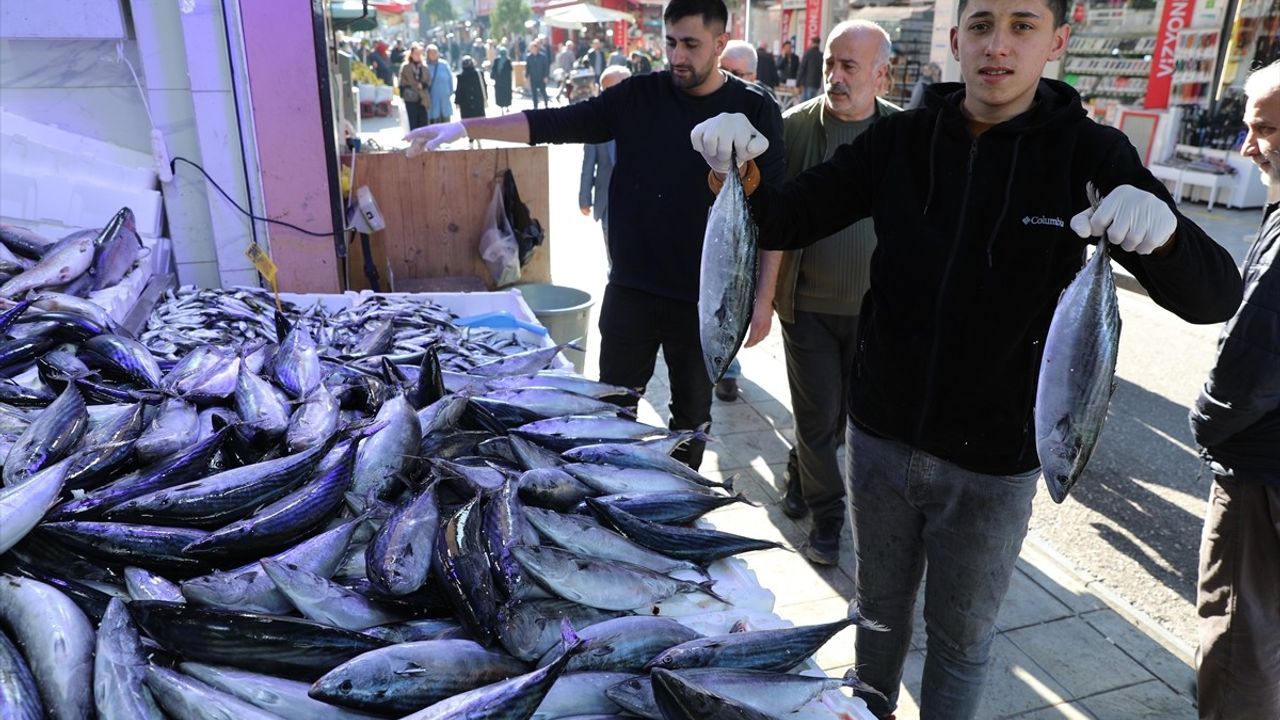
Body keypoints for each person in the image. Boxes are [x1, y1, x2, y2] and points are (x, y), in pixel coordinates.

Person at [689, 0, 1244, 716]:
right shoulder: (901, 139)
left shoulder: (1088, 153)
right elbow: (787, 216)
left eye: (1022, 25)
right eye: (981, 25)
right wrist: (737, 167)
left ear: (1058, 42)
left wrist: (1165, 236)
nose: (998, 46)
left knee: (960, 642)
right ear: (955, 39)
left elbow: (1214, 297)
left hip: (995, 466)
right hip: (882, 438)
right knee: (877, 618)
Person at [407, 0, 786, 470]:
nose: (677, 56)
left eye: (691, 44)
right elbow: (557, 122)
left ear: (721, 43)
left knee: (692, 417)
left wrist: (764, 300)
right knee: (611, 408)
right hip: (631, 288)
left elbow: (777, 214)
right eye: (670, 42)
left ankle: (680, 508)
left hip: (705, 299)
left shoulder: (752, 108)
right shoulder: (638, 96)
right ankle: (617, 492)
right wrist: (466, 126)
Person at [772, 20, 899, 567]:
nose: (835, 76)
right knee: (817, 413)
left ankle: (802, 471)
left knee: (843, 419)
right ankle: (828, 516)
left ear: (882, 74)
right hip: (807, 308)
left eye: (850, 66)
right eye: (830, 63)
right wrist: (759, 303)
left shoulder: (904, 134)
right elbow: (768, 218)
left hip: (879, 311)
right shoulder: (795, 129)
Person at [1188, 60, 1280, 720]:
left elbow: (1251, 366)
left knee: (1240, 644)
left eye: (1265, 130)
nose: (1246, 147)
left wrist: (1203, 421)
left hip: (1260, 472)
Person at [712, 39, 782, 402]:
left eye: (737, 74)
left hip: (746, 234)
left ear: (754, 75)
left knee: (731, 302)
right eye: (723, 71)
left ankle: (729, 369)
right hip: (715, 233)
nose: (729, 81)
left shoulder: (764, 108)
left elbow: (775, 188)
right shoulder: (712, 104)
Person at [579, 66, 632, 248]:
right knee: (613, 254)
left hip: (638, 201)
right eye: (604, 90)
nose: (607, 96)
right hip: (608, 201)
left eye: (612, 90)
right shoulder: (596, 123)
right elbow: (588, 165)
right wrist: (584, 198)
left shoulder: (646, 118)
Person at [398, 42, 431, 130]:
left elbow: (428, 80)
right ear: (411, 54)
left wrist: (423, 85)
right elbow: (401, 82)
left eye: (419, 53)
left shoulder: (424, 67)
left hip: (422, 97)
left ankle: (423, 141)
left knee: (423, 122)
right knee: (413, 121)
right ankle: (415, 141)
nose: (417, 55)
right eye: (415, 53)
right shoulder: (406, 67)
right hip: (410, 97)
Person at [424, 44, 454, 124]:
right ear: (427, 54)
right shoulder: (425, 66)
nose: (434, 54)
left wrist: (450, 92)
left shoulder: (444, 64)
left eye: (435, 52)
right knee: (435, 123)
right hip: (432, 99)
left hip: (444, 98)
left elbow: (450, 79)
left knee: (446, 122)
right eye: (431, 53)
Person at [455, 56, 488, 125]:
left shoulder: (461, 76)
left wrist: (457, 102)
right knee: (479, 123)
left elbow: (458, 91)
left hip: (466, 104)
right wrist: (485, 98)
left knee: (469, 125)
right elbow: (484, 87)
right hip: (478, 102)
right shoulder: (479, 74)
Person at [796, 36, 824, 101]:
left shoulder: (808, 53)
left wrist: (798, 83)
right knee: (812, 103)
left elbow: (802, 68)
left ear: (812, 43)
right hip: (816, 83)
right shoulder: (821, 55)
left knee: (804, 104)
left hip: (807, 83)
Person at [526, 40, 550, 110]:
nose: (534, 49)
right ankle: (535, 106)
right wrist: (526, 77)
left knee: (543, 91)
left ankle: (546, 104)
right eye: (532, 48)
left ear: (537, 48)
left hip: (541, 77)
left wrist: (546, 76)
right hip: (533, 78)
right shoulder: (528, 57)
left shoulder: (542, 56)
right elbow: (527, 68)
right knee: (534, 93)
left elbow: (546, 67)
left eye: (535, 48)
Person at [491, 47, 514, 114]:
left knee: (500, 94)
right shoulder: (508, 60)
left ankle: (501, 107)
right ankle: (506, 106)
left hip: (499, 81)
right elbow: (511, 69)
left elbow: (493, 70)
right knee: (506, 94)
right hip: (506, 82)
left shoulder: (496, 60)